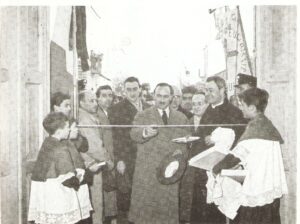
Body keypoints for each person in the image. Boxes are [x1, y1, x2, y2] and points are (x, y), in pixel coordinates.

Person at [212, 88, 288, 224]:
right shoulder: (267, 124)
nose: (240, 108)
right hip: (269, 189)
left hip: (256, 190)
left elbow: (237, 157)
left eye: (242, 105)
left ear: (252, 108)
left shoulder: (255, 128)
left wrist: (217, 167)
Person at [128, 83, 189, 224]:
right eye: (159, 96)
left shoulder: (181, 118)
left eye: (166, 96)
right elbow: (133, 133)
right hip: (147, 174)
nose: (162, 100)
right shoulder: (142, 115)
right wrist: (145, 132)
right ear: (153, 96)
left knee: (168, 214)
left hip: (170, 173)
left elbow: (186, 140)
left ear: (172, 98)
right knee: (146, 215)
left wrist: (182, 150)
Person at [190, 76, 246, 224]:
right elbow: (201, 137)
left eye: (211, 90)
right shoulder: (208, 111)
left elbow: (239, 142)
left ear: (222, 90)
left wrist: (217, 140)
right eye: (206, 90)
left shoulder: (235, 112)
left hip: (225, 171)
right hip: (204, 170)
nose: (207, 94)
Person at [28, 112, 92, 224]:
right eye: (67, 127)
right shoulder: (61, 149)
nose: (69, 130)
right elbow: (68, 180)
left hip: (45, 192)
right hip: (57, 195)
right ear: (59, 131)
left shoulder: (48, 142)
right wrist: (82, 175)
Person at [109, 77, 150, 221]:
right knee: (126, 197)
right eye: (129, 90)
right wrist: (120, 159)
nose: (132, 93)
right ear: (124, 91)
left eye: (135, 89)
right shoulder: (116, 109)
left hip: (146, 158)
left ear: (140, 89)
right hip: (127, 158)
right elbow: (116, 137)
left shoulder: (149, 107)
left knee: (144, 196)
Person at [79, 91, 112, 224]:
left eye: (95, 100)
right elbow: (95, 147)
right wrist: (109, 161)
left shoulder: (89, 116)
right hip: (93, 166)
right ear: (81, 103)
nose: (95, 103)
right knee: (96, 204)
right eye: (91, 101)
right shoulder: (85, 119)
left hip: (93, 165)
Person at [179, 91, 208, 224]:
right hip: (191, 170)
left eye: (200, 104)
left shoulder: (211, 121)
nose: (196, 107)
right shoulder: (187, 122)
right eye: (194, 104)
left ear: (207, 104)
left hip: (206, 168)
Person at [96, 85, 117, 224]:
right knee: (103, 198)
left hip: (113, 159)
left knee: (110, 197)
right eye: (104, 95)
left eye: (110, 95)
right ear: (97, 98)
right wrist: (107, 158)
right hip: (104, 160)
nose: (108, 99)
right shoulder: (97, 114)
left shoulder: (111, 112)